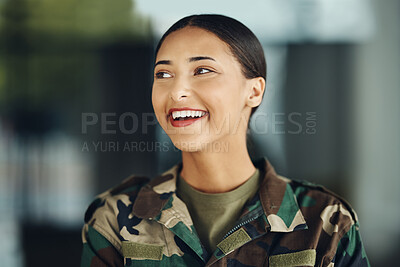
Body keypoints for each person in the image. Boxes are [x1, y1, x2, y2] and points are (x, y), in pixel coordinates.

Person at [80, 14, 370, 267]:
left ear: (254, 91)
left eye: (202, 70)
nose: (177, 91)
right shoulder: (115, 218)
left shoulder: (325, 222)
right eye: (163, 74)